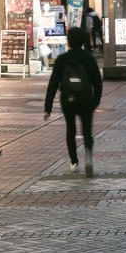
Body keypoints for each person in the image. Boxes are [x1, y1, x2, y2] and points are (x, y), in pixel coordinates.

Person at [44, 26, 104, 176]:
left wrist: (48, 107)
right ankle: (88, 157)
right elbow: (97, 81)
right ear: (83, 41)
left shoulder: (62, 59)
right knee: (87, 131)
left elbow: (53, 83)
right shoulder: (88, 58)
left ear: (69, 42)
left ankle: (74, 163)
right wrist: (96, 101)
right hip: (86, 99)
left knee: (70, 130)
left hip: (68, 99)